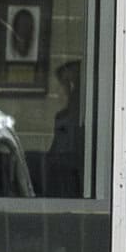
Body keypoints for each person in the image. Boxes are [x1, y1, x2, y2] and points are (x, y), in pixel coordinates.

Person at [44, 60, 83, 197]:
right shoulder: (61, 118)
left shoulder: (90, 121)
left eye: (68, 84)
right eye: (63, 84)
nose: (62, 91)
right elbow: (55, 152)